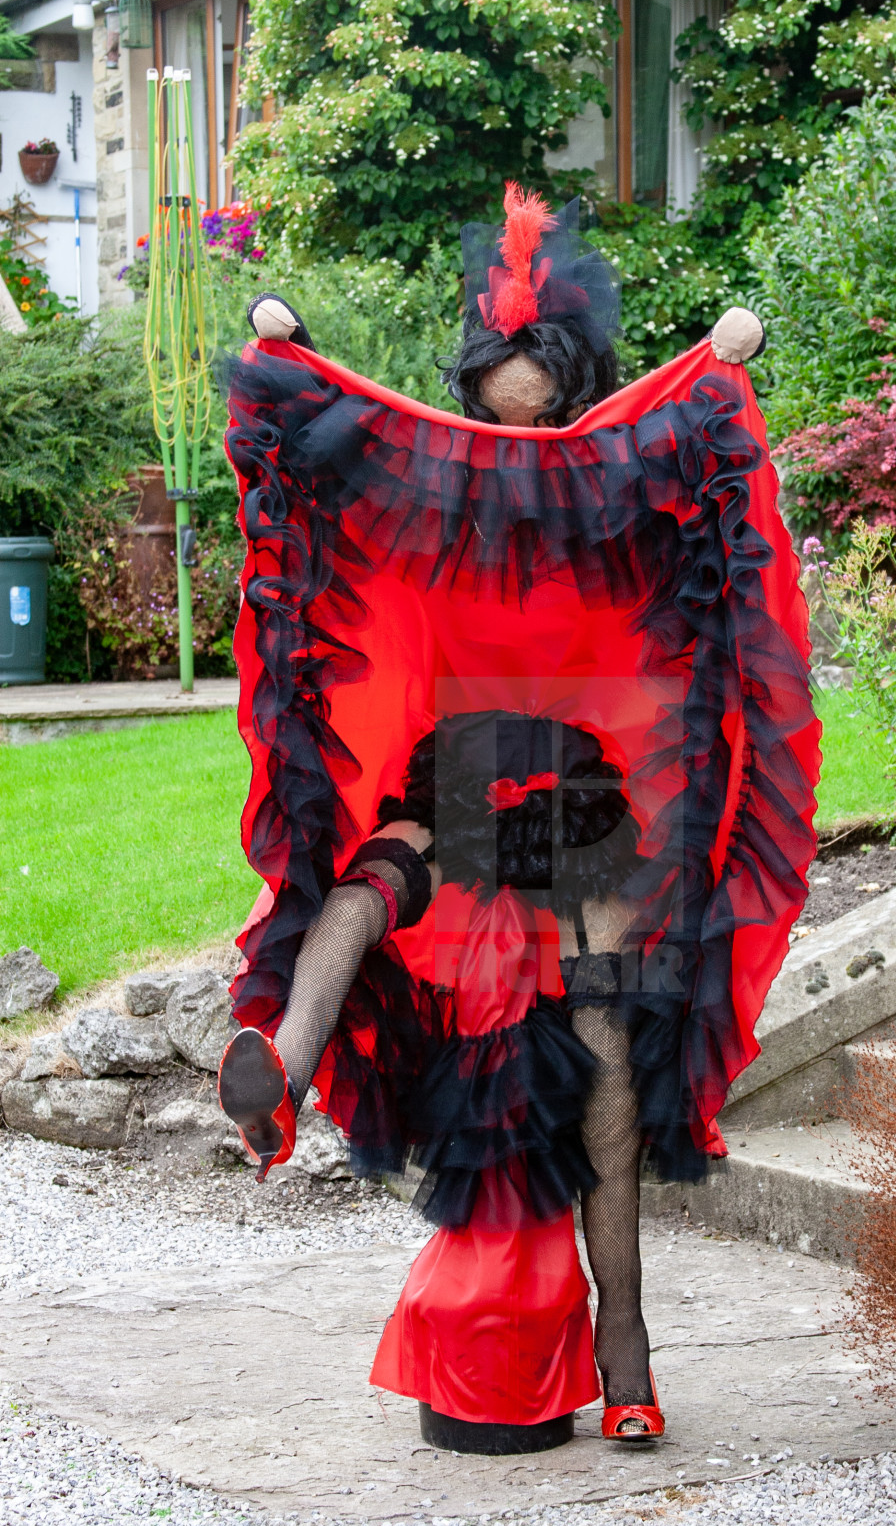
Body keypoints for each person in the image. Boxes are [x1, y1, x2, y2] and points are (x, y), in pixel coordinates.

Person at [218, 185, 820, 1455]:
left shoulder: (595, 481)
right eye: (496, 368)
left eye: (530, 367)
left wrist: (710, 372)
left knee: (432, 925)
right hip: (509, 788)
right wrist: (292, 355)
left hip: (525, 793)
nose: (512, 391)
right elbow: (358, 441)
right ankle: (621, 1350)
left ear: (562, 369)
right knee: (440, 939)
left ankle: (291, 1045)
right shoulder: (476, 484)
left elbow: (662, 455)